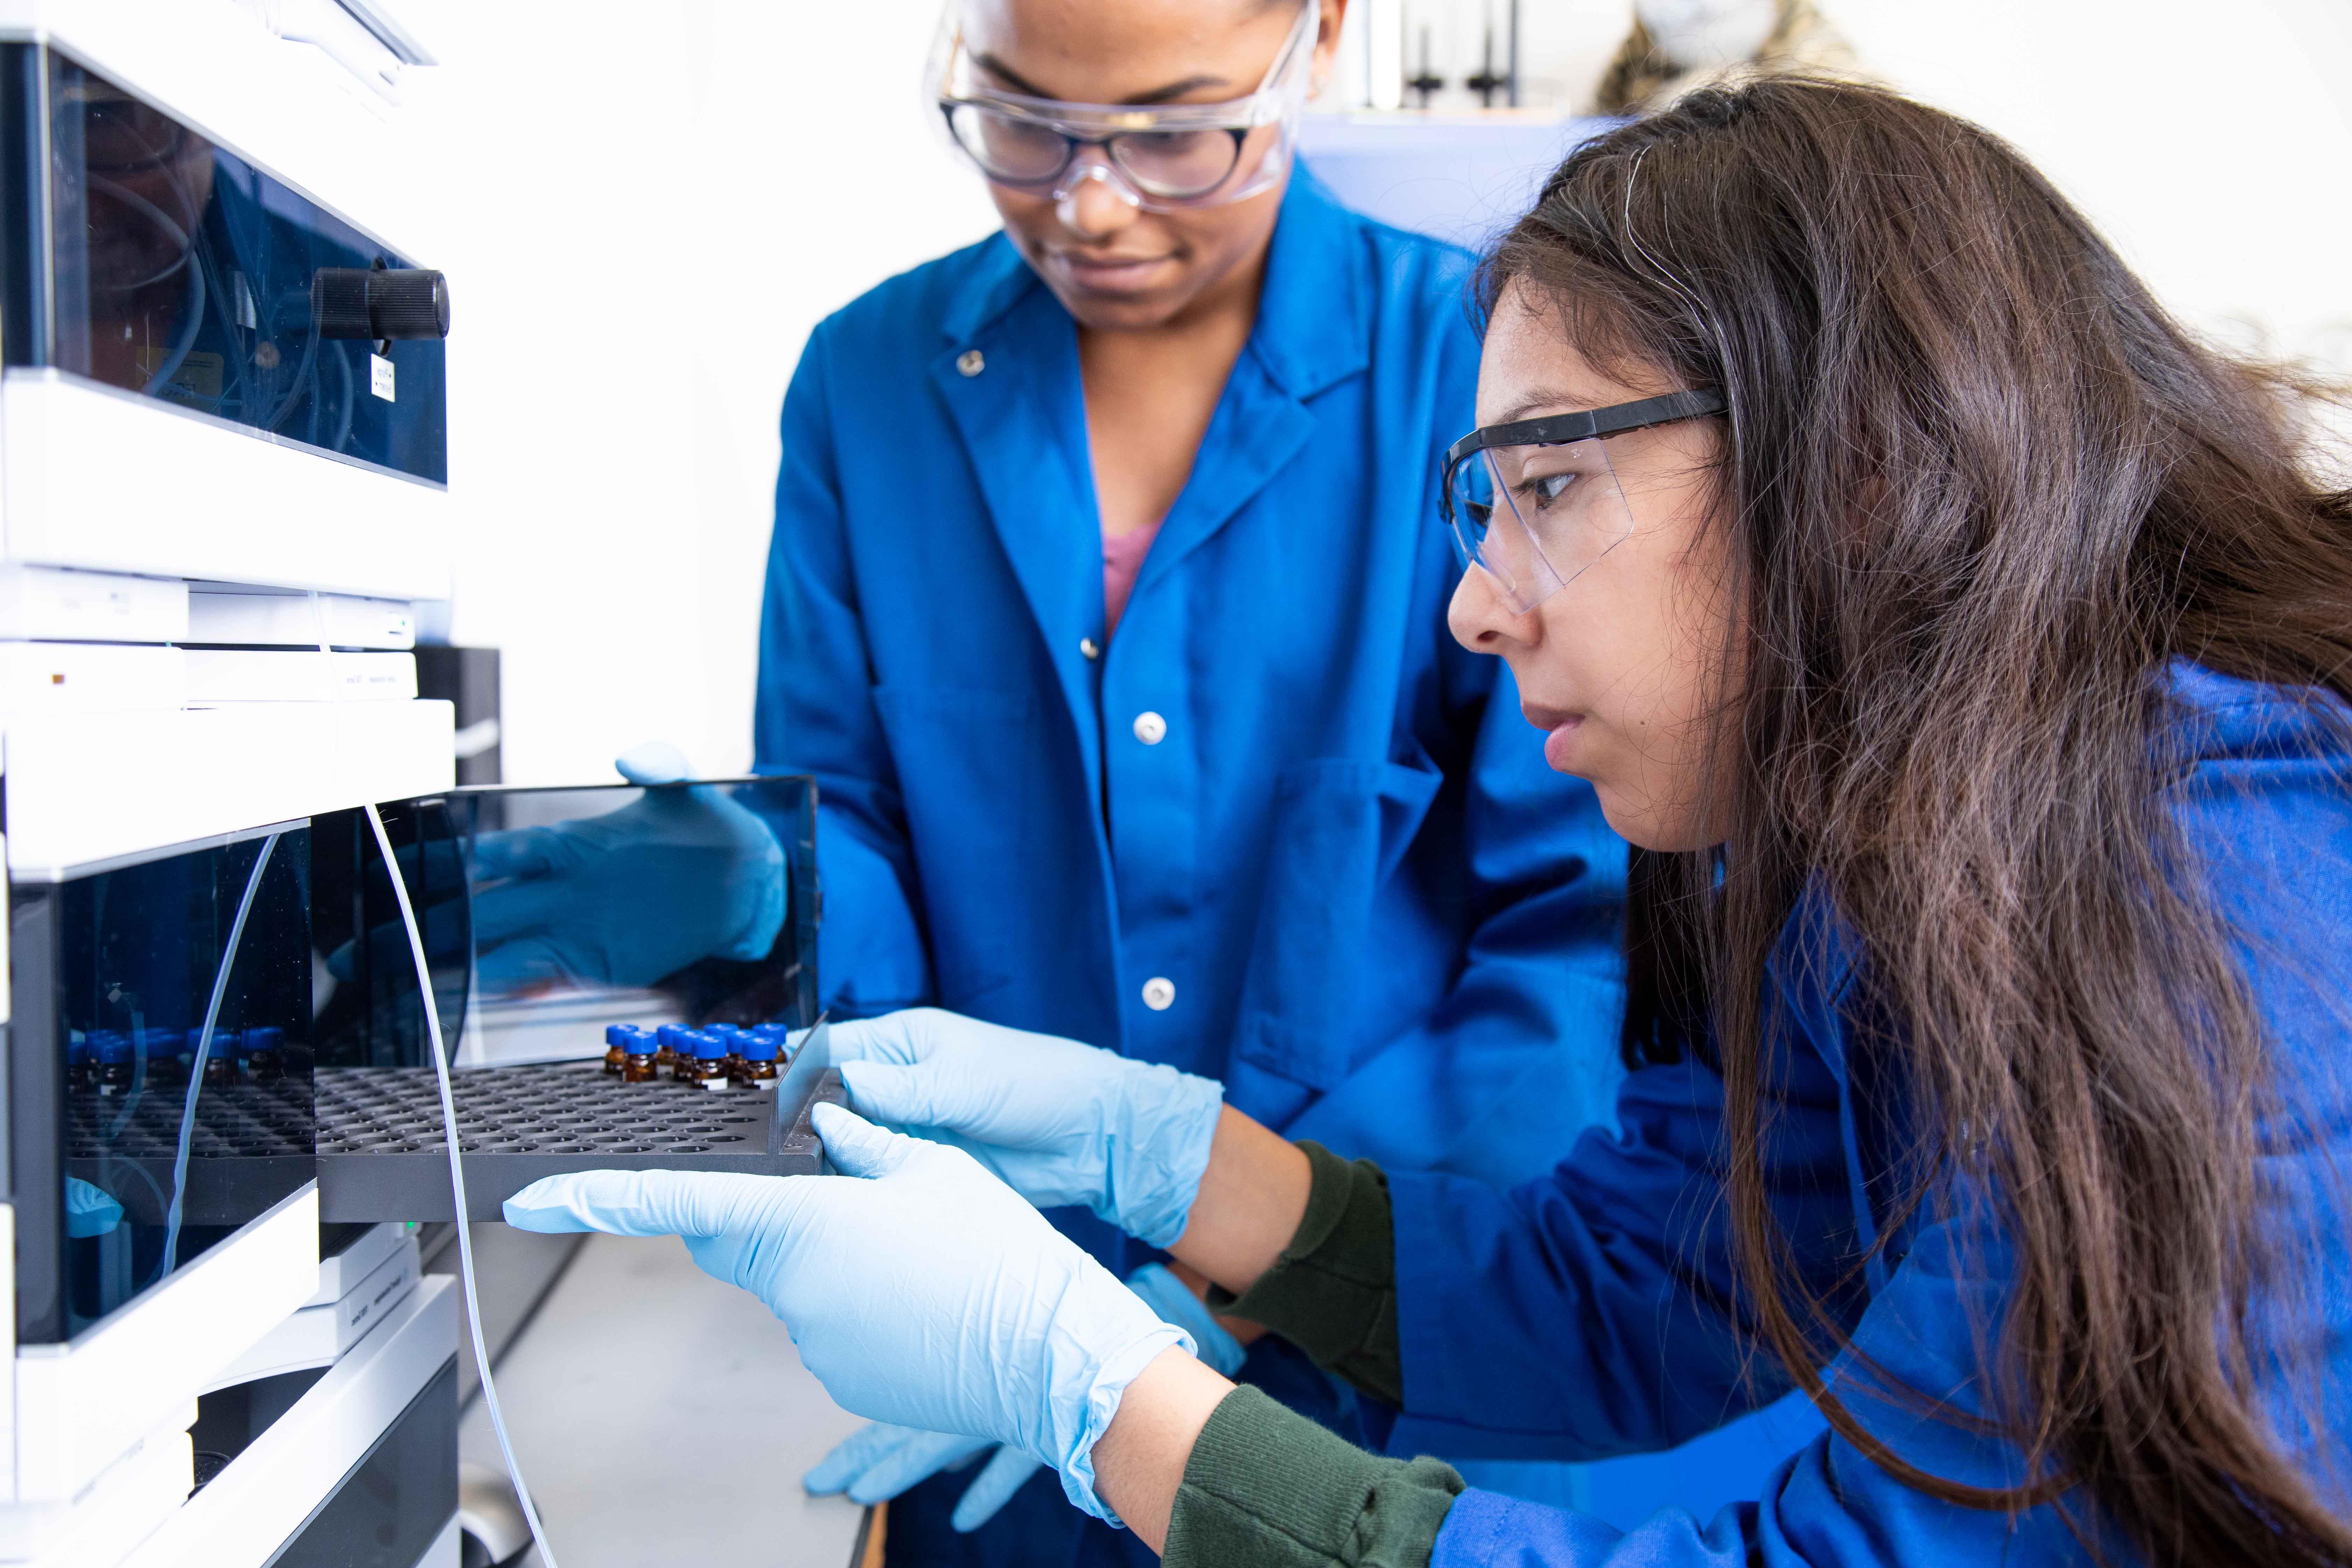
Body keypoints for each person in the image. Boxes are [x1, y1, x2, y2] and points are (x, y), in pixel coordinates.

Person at [509, 76, 2352, 1564]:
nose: (1475, 607)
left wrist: (1102, 1388)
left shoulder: (2226, 896)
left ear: (1854, 460)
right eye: (1488, 496)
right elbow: (1650, 1283)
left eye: (1548, 482)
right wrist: (1164, 1152)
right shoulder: (1841, 861)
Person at [750, 0, 1650, 1554]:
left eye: (1175, 135)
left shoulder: (1472, 374)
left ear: (1318, 39)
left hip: (1396, 1361)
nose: (1090, 204)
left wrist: (1232, 1273)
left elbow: (1578, 936)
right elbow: (851, 839)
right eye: (1024, 122)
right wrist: (762, 894)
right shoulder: (870, 384)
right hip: (993, 1348)